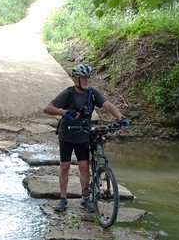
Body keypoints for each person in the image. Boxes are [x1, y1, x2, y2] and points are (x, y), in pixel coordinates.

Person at [43, 64, 128, 212]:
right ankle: (63, 198)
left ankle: (85, 199)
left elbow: (108, 105)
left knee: (84, 166)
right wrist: (64, 113)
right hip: (67, 135)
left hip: (83, 134)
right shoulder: (68, 93)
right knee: (65, 166)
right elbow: (47, 108)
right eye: (84, 77)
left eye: (88, 77)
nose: (87, 80)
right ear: (77, 79)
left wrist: (121, 117)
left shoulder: (92, 93)